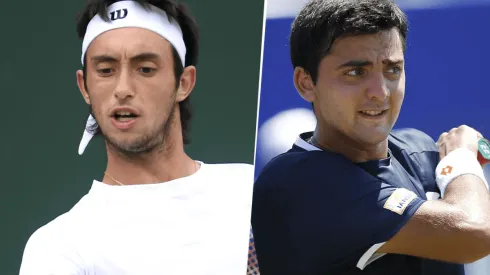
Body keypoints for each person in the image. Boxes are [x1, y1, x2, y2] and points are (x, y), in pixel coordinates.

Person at [251, 0, 490, 274]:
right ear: (306, 83)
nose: (380, 91)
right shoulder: (296, 184)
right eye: (356, 72)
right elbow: (474, 232)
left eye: (392, 69)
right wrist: (461, 163)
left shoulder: (419, 149)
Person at [19, 1, 254, 274]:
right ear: (84, 86)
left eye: (145, 69)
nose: (123, 89)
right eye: (106, 70)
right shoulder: (58, 248)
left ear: (183, 83)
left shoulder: (252, 188)